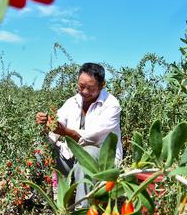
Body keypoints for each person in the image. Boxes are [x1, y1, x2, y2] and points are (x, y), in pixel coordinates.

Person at [35, 63, 122, 207]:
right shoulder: (73, 102)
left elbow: (91, 138)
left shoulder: (111, 105)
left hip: (103, 165)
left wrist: (64, 131)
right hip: (74, 161)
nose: (85, 91)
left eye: (91, 88)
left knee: (86, 153)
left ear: (102, 85)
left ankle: (82, 214)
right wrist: (46, 123)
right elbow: (58, 121)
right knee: (41, 149)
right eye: (81, 86)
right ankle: (44, 202)